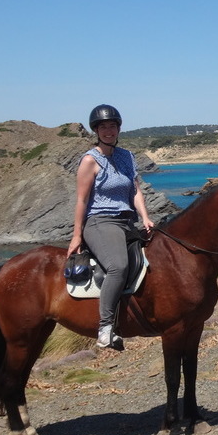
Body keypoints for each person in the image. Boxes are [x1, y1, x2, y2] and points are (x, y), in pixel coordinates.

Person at [66, 104, 155, 350]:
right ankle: (105, 328)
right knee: (118, 266)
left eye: (112, 126)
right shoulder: (90, 160)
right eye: (103, 127)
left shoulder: (127, 156)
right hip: (100, 221)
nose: (108, 130)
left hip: (127, 221)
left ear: (118, 129)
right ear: (96, 130)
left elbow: (135, 190)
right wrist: (76, 236)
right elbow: (82, 200)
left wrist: (145, 217)